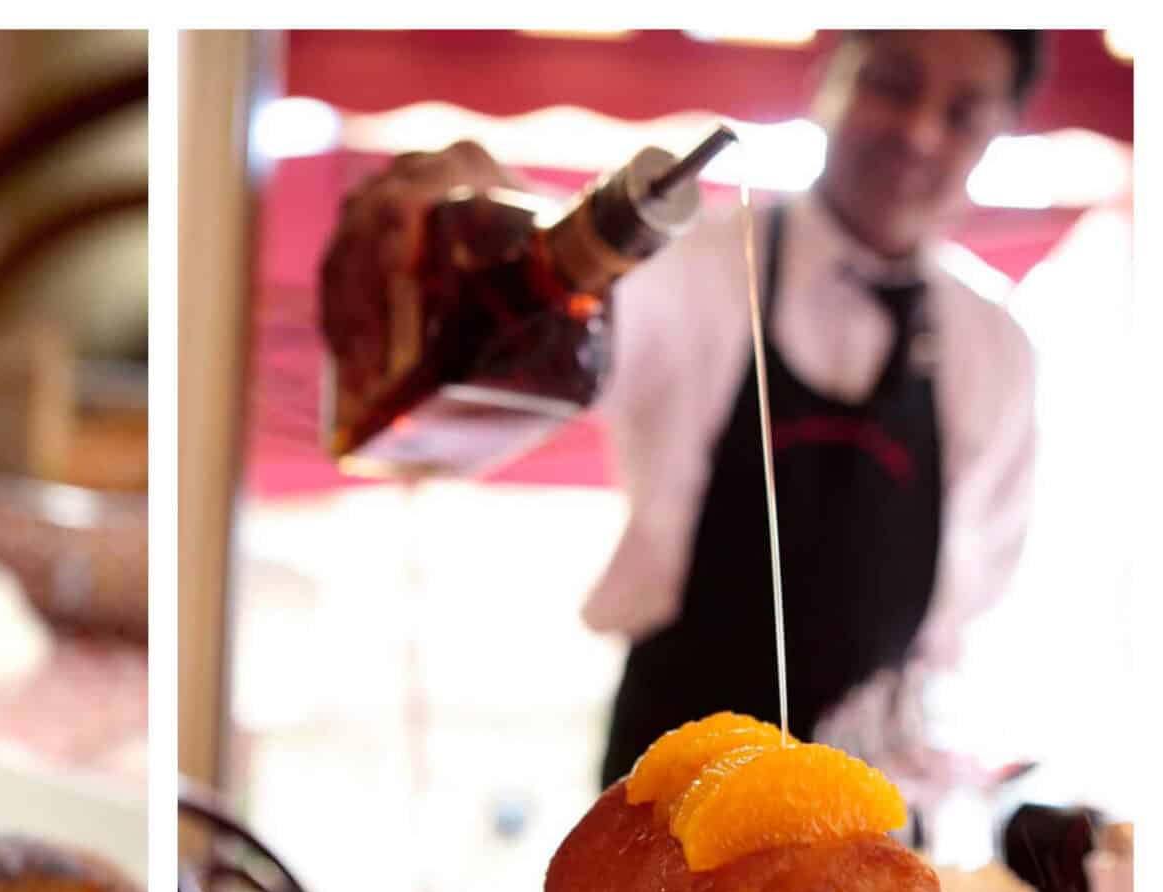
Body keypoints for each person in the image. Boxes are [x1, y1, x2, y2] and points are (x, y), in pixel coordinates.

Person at [322, 31, 1043, 790]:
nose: (919, 132)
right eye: (893, 84)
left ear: (998, 136)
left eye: (962, 115)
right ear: (829, 78)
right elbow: (568, 298)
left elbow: (955, 627)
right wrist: (492, 225)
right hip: (669, 788)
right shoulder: (689, 265)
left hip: (861, 798)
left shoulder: (995, 347)